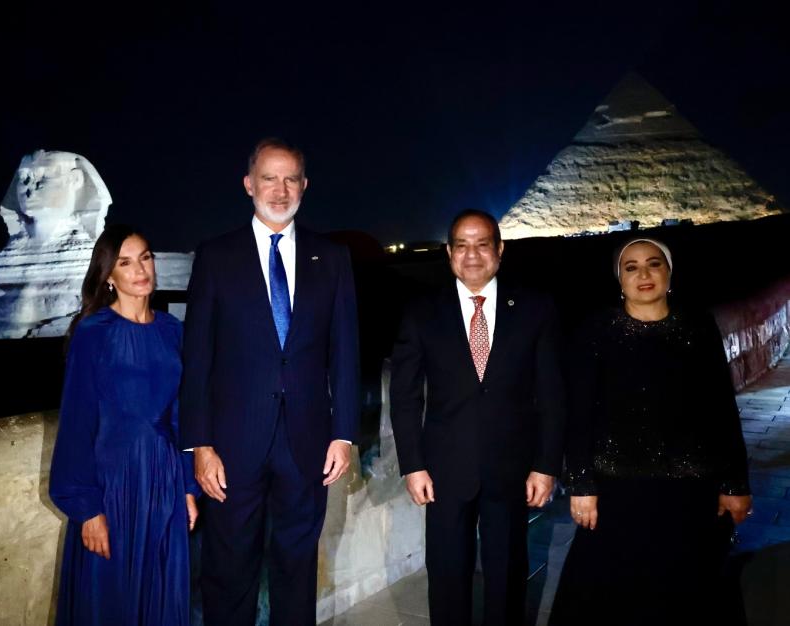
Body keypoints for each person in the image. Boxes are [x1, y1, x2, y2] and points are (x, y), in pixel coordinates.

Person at [180, 138, 360, 625]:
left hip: (307, 442)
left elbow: (344, 353)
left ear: (304, 185)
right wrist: (200, 443)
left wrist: (343, 433)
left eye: (290, 179)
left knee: (297, 565)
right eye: (268, 178)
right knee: (228, 566)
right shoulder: (216, 256)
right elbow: (197, 358)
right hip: (233, 446)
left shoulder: (333, 258)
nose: (279, 191)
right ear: (248, 184)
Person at [550, 237, 752, 626]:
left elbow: (720, 408)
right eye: (631, 267)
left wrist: (734, 483)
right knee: (610, 593)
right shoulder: (596, 330)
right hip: (617, 489)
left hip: (691, 489)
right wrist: (580, 484)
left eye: (654, 264)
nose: (644, 274)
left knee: (686, 592)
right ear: (619, 279)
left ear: (669, 273)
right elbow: (579, 413)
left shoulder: (698, 326)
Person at [389, 209, 566, 626]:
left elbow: (553, 393)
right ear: (449, 253)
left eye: (482, 243)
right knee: (448, 575)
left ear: (499, 250)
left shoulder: (536, 308)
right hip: (444, 470)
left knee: (507, 575)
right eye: (462, 245)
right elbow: (404, 396)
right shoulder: (421, 312)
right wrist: (412, 465)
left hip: (512, 468)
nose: (472, 255)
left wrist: (546, 465)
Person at [49, 224, 200, 625]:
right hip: (112, 484)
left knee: (162, 595)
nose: (140, 270)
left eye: (146, 257)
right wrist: (87, 508)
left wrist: (187, 486)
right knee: (111, 598)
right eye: (126, 262)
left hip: (165, 479)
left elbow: (183, 413)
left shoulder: (173, 331)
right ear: (108, 277)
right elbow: (78, 421)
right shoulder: (94, 333)